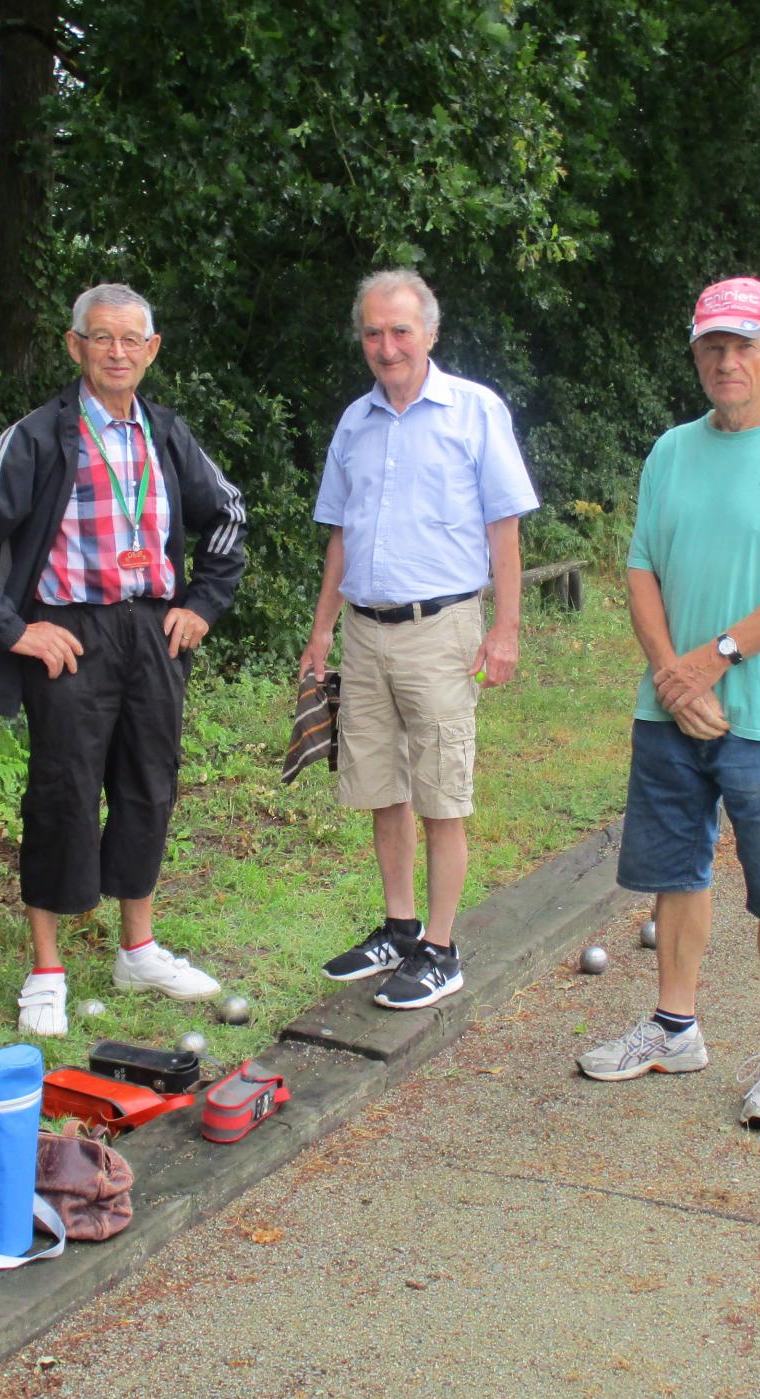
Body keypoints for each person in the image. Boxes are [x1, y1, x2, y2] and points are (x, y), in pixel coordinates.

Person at [576, 276, 760, 1131]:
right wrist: (672, 673)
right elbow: (640, 570)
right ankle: (674, 1027)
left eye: (743, 344)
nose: (726, 360)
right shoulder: (671, 450)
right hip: (671, 710)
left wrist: (712, 660)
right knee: (673, 872)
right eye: (712, 345)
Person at [0, 283, 247, 1036]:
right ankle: (46, 967)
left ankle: (138, 947)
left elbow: (229, 517)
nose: (117, 352)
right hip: (70, 635)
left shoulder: (168, 436)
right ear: (74, 345)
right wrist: (16, 629)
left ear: (151, 351)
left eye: (132, 340)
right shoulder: (39, 437)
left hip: (153, 630)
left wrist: (201, 606)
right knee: (62, 790)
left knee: (150, 783)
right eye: (102, 338)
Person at [298, 270, 538, 1010]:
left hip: (442, 630)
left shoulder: (474, 411)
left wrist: (505, 629)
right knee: (382, 788)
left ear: (430, 334)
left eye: (400, 331)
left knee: (441, 792)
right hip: (366, 635)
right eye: (373, 332)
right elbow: (342, 533)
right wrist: (322, 632)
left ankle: (442, 947)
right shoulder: (355, 422)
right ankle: (399, 929)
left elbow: (505, 525)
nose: (386, 346)